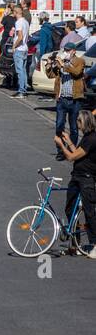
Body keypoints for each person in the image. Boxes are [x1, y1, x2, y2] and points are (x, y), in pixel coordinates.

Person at [54, 110, 96, 256]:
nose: (77, 124)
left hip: (86, 178)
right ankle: (75, 245)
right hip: (77, 176)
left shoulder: (92, 139)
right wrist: (69, 141)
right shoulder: (86, 137)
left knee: (89, 212)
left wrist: (61, 145)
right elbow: (77, 152)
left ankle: (94, 244)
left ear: (85, 122)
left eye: (79, 121)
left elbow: (72, 157)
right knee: (70, 209)